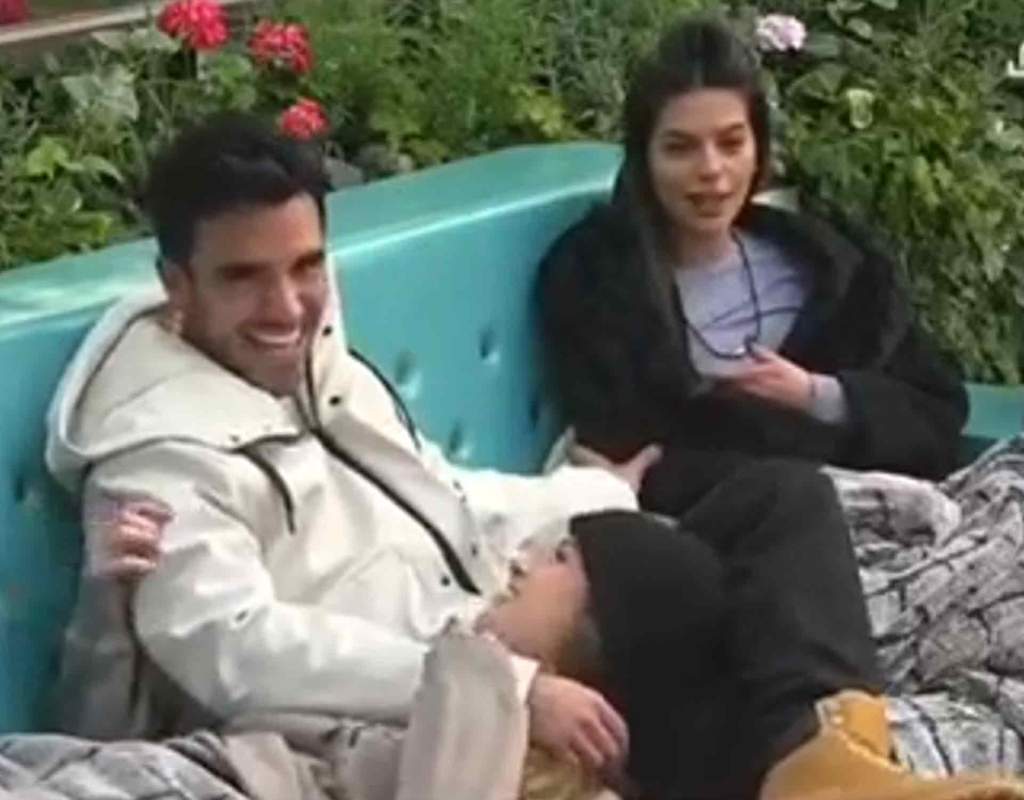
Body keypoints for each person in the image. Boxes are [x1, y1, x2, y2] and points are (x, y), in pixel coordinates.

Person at [45, 114, 1020, 800]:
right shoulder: (156, 458)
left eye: (306, 266)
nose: (287, 305)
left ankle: (830, 759)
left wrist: (585, 489)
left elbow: (437, 490)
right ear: (177, 284)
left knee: (782, 500)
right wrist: (506, 679)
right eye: (245, 277)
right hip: (417, 687)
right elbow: (240, 653)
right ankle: (803, 764)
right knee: (668, 586)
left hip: (489, 603)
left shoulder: (320, 366)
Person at [538, 16, 968, 519]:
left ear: (758, 149)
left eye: (731, 143)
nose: (711, 170)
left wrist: (816, 396)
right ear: (644, 159)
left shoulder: (835, 268)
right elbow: (628, 453)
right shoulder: (599, 285)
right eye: (680, 148)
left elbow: (937, 413)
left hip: (887, 508)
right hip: (735, 532)